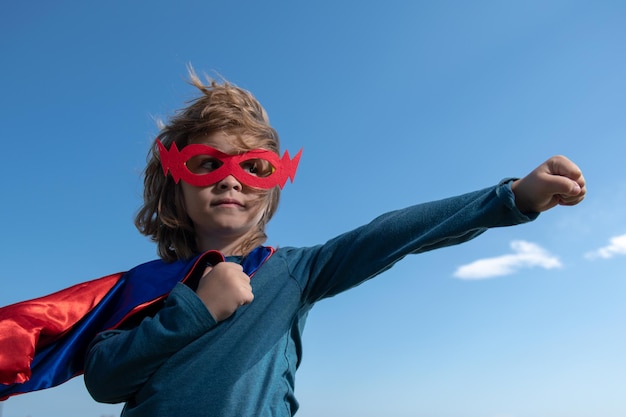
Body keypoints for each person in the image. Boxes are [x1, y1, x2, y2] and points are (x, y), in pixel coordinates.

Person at [81, 69, 586, 417]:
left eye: (254, 167)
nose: (231, 179)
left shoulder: (293, 274)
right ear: (177, 181)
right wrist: (195, 310)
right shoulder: (144, 286)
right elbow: (104, 380)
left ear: (272, 185)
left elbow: (393, 234)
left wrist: (511, 198)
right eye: (207, 163)